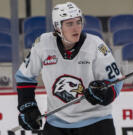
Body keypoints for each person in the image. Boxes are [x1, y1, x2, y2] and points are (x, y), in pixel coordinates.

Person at [15, 2, 123, 135]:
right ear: (57, 27)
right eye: (69, 24)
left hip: (96, 122)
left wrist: (104, 92)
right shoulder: (43, 44)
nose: (76, 28)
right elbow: (24, 77)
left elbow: (116, 82)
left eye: (78, 22)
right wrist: (28, 106)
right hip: (57, 123)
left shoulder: (95, 45)